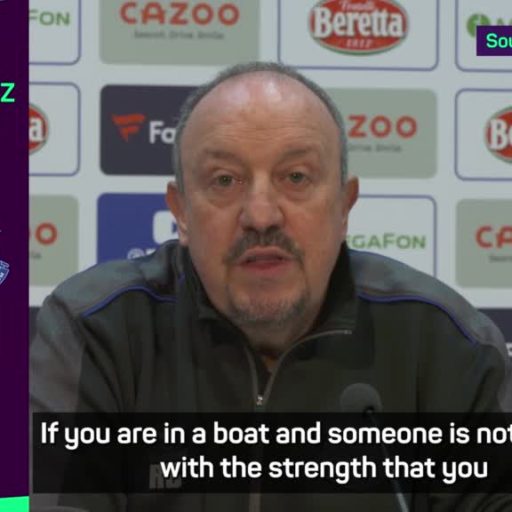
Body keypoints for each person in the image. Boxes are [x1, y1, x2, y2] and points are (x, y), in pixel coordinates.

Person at [31, 62, 512, 511]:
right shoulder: (98, 329)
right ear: (181, 212)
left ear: (344, 206)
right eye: (225, 180)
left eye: (296, 177)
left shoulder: (446, 344)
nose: (261, 215)